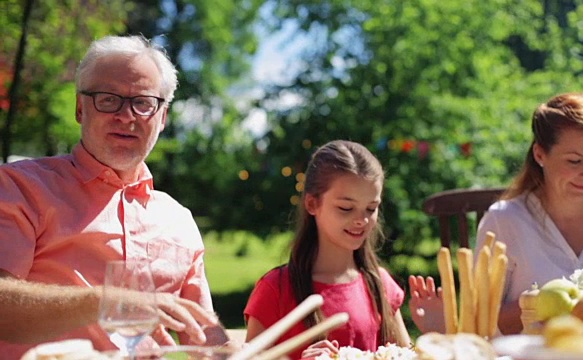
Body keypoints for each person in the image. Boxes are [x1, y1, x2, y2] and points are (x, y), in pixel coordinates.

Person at [0, 35, 229, 359]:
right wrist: (105, 303)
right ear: (81, 107)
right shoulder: (20, 188)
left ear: (162, 117)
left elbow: (210, 342)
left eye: (144, 102)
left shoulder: (178, 220)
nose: (127, 115)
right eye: (109, 99)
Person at [472, 92, 583, 334]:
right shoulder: (504, 221)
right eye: (574, 161)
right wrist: (543, 305)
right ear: (540, 154)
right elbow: (479, 320)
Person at [243, 140, 412, 359]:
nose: (361, 220)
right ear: (312, 204)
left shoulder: (380, 284)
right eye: (346, 208)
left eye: (371, 208)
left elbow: (407, 354)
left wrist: (433, 328)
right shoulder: (276, 290)